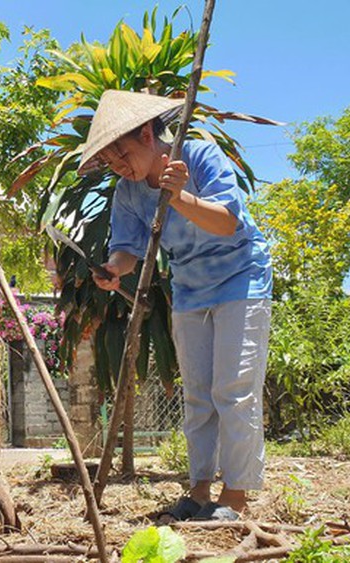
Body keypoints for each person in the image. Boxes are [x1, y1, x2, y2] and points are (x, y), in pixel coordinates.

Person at [81, 90, 272, 522]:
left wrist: (179, 195)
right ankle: (200, 489)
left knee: (234, 389)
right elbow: (127, 248)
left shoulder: (200, 157)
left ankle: (236, 496)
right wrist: (113, 269)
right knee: (199, 394)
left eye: (124, 155)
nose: (121, 168)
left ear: (147, 134)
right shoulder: (127, 192)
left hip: (241, 278)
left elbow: (227, 222)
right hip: (188, 287)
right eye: (111, 164)